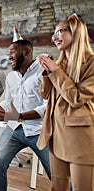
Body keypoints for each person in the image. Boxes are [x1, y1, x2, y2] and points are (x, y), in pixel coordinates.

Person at [0, 29, 51, 191]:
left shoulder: (43, 72)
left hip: (39, 131)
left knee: (56, 173)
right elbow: (9, 101)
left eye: (12, 52)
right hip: (14, 129)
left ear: (26, 52)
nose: (9, 56)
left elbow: (48, 106)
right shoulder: (12, 76)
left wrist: (20, 115)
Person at [37, 12, 94, 191]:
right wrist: (47, 73)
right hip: (56, 133)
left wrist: (55, 72)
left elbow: (77, 98)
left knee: (81, 187)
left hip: (79, 136)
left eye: (61, 31)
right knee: (57, 186)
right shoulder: (59, 65)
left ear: (76, 33)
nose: (56, 37)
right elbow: (45, 95)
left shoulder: (91, 63)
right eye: (54, 33)